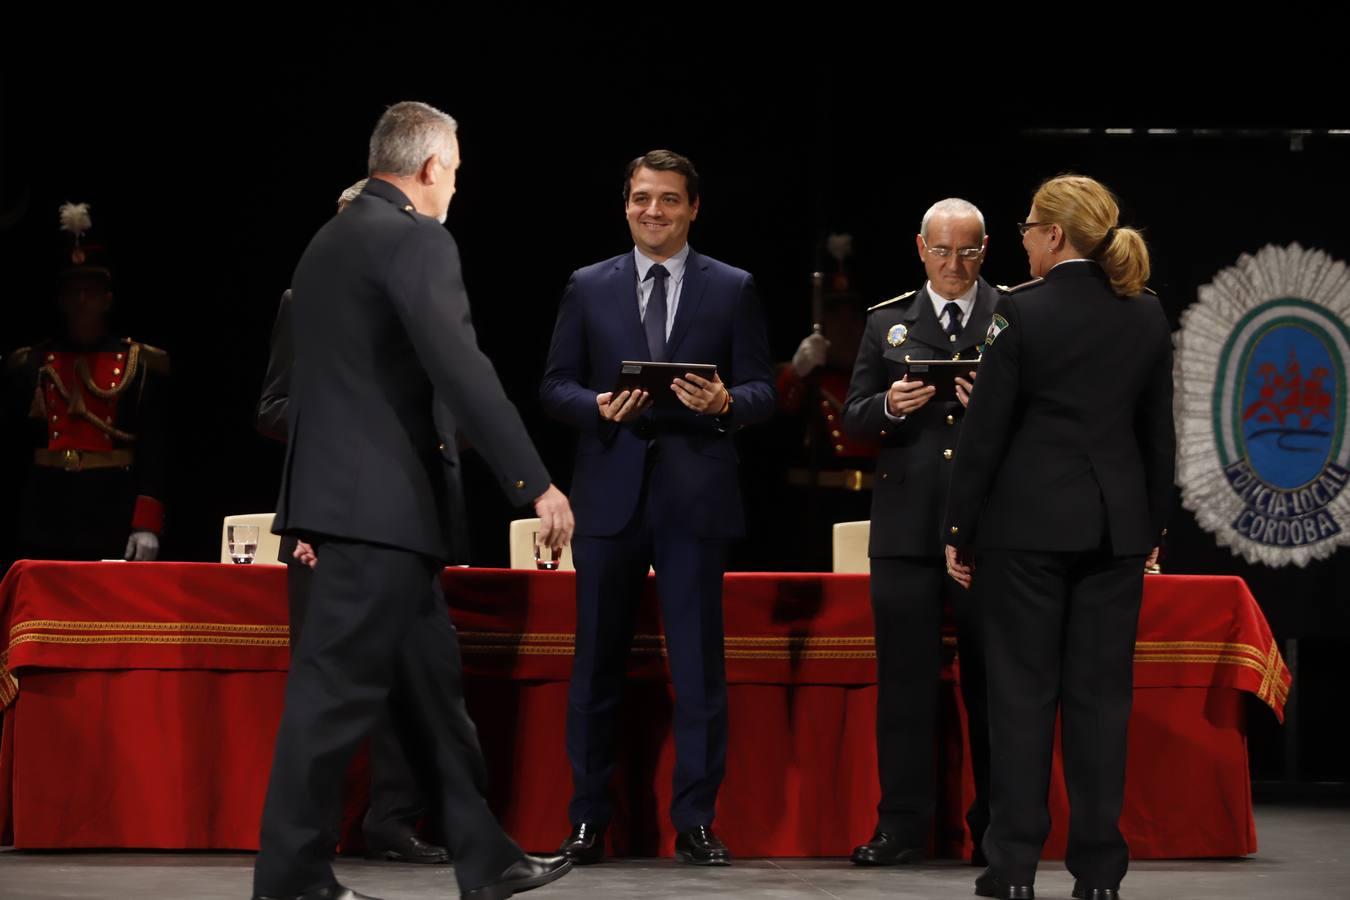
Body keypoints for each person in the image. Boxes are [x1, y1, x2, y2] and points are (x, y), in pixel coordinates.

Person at [252, 101, 575, 900]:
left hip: (359, 510)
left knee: (435, 697)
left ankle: (487, 860)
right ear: (430, 168)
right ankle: (290, 879)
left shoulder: (327, 242)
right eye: (455, 173)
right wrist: (534, 484)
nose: (454, 188)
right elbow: (462, 369)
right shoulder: (415, 239)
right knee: (329, 703)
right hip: (380, 513)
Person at [540, 149, 775, 866]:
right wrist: (599, 407)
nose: (654, 211)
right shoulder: (588, 285)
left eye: (669, 200)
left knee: (700, 671)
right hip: (609, 497)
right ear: (625, 203)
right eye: (642, 198)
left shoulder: (732, 288)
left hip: (694, 500)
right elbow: (555, 387)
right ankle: (588, 821)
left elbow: (764, 389)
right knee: (595, 666)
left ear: (692, 208)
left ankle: (696, 821)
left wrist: (727, 402)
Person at [943, 174, 1174, 900]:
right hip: (1115, 530)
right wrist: (1152, 528)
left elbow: (985, 435)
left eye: (1026, 229)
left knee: (1022, 697)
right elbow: (1157, 436)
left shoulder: (1019, 311)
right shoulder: (1145, 313)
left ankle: (1013, 869)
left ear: (1052, 235)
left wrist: (959, 527)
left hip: (1027, 530)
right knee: (1102, 702)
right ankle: (1100, 873)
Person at [254, 178, 452, 867]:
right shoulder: (301, 304)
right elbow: (272, 405)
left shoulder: (416, 305)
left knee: (408, 674)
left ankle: (394, 820)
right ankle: (310, 836)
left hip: (403, 515)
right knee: (326, 680)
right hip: (324, 519)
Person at [841, 198, 995, 867]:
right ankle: (902, 826)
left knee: (992, 686)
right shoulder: (888, 323)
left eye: (967, 251)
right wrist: (887, 406)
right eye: (942, 250)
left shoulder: (1011, 316)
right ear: (921, 248)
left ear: (985, 249)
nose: (954, 264)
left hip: (989, 532)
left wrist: (992, 405)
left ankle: (996, 826)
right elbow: (851, 416)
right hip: (906, 531)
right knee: (904, 687)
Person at [2, 203, 168, 564]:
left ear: (107, 299)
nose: (81, 301)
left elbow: (154, 451)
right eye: (73, 291)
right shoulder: (30, 364)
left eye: (90, 291)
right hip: (44, 519)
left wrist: (146, 524)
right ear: (60, 299)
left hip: (112, 515)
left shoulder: (138, 365)